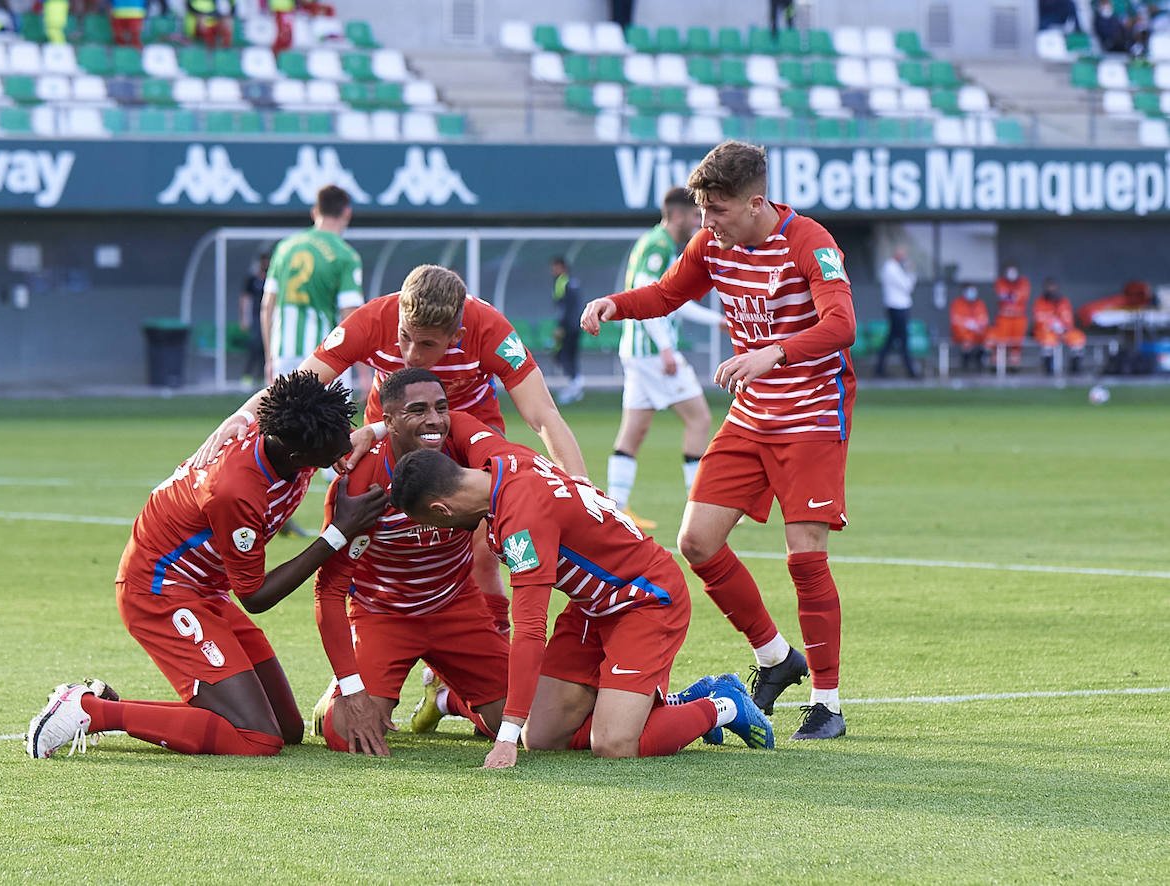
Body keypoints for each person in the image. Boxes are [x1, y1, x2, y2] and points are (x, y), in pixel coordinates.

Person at [580, 140, 856, 741]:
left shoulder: (810, 242)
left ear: (756, 202)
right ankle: (776, 656)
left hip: (810, 418)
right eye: (701, 211)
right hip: (752, 416)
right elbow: (667, 294)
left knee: (806, 558)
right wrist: (615, 304)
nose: (705, 225)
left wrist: (772, 353)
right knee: (697, 541)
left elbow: (842, 325)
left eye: (718, 212)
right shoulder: (712, 243)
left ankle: (828, 702)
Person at [195, 264, 588, 638]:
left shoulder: (491, 329)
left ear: (457, 335)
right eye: (404, 337)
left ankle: (486, 660)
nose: (411, 355)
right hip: (391, 432)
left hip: (470, 433)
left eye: (427, 344)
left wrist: (582, 489)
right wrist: (244, 415)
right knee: (359, 532)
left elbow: (543, 415)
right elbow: (301, 382)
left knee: (484, 550)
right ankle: (360, 649)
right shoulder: (373, 319)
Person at [24, 371, 388, 759]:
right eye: (333, 453)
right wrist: (337, 533)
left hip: (207, 588)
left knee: (287, 729)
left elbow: (286, 402)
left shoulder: (294, 435)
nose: (342, 453)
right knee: (258, 739)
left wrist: (380, 428)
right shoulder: (235, 489)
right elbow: (256, 595)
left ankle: (107, 703)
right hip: (159, 588)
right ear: (299, 458)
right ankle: (88, 711)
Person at [391, 445, 774, 768]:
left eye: (430, 523)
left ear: (441, 510)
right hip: (593, 607)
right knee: (541, 736)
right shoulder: (502, 459)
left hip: (644, 599)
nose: (440, 531)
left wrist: (505, 736)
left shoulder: (521, 520)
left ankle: (723, 705)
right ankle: (663, 704)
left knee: (614, 744)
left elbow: (528, 631)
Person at [313, 368, 515, 756]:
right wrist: (352, 689)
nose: (435, 420)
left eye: (441, 408)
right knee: (348, 735)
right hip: (382, 614)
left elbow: (512, 464)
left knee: (526, 724)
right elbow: (329, 589)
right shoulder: (358, 481)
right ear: (388, 421)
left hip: (457, 605)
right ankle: (337, 696)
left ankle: (445, 700)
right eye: (418, 410)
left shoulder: (462, 447)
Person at [607, 186, 722, 531]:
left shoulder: (654, 242)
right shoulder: (658, 246)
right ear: (676, 215)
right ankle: (699, 503)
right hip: (653, 353)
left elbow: (672, 300)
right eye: (692, 215)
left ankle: (615, 508)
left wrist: (714, 320)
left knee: (633, 431)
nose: (697, 222)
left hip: (638, 352)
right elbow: (649, 295)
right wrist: (666, 347)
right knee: (699, 419)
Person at [262, 185, 363, 386]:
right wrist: (363, 370)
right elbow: (350, 314)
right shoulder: (346, 255)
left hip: (284, 352)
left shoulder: (284, 248)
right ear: (347, 213)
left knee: (284, 417)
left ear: (315, 212)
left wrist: (269, 358)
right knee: (330, 417)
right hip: (327, 355)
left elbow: (267, 305)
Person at [875, 245, 919, 379]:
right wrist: (911, 271)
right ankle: (911, 371)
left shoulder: (895, 268)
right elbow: (908, 286)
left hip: (900, 308)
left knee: (891, 340)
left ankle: (879, 369)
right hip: (897, 308)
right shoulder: (891, 268)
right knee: (903, 340)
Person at [550, 257, 586, 405]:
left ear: (561, 267)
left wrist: (560, 327)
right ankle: (575, 385)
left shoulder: (562, 282)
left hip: (568, 327)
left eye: (554, 267)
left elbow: (563, 308)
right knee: (570, 355)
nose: (552, 271)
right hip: (577, 325)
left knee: (562, 355)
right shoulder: (574, 282)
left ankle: (575, 383)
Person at [1032, 278, 1086, 374]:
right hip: (1046, 331)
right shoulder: (1040, 302)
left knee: (1077, 337)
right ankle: (1049, 369)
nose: (1051, 290)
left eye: (1053, 287)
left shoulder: (1063, 302)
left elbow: (1068, 320)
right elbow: (1039, 320)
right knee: (1048, 340)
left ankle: (1075, 369)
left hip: (1064, 331)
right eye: (1049, 287)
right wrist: (1052, 326)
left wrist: (1062, 329)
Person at [987, 262, 1031, 371]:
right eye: (1009, 271)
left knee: (1016, 343)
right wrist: (1011, 296)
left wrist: (1012, 296)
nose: (1011, 274)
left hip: (1019, 318)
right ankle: (997, 364)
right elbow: (1003, 296)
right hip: (1004, 317)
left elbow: (1020, 297)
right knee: (1000, 340)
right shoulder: (1000, 282)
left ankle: (1014, 365)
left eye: (1013, 270)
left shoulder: (1024, 282)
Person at [238, 252, 270, 389]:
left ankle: (263, 377)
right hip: (256, 318)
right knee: (254, 346)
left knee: (266, 347)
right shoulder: (251, 280)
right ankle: (247, 377)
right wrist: (244, 319)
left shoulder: (271, 280)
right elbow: (245, 299)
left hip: (269, 318)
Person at [948, 284, 990, 372]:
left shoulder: (979, 304)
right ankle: (965, 363)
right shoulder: (958, 303)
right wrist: (967, 323)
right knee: (967, 340)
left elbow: (984, 319)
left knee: (988, 338)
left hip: (977, 333)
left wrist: (976, 325)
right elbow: (955, 319)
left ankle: (981, 359)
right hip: (962, 333)